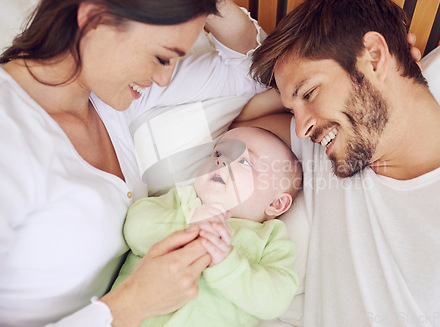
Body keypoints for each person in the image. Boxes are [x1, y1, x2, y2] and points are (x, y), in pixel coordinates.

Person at [0, 0, 268, 326]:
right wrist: (132, 304)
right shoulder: (10, 133)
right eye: (161, 58)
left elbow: (255, 72)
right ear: (94, 19)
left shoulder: (111, 100)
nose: (164, 79)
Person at [233, 0, 440, 326]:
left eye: (309, 93)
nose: (302, 126)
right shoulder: (331, 155)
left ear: (374, 56)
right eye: (292, 110)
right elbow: (242, 128)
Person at [112, 126, 302, 327]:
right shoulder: (183, 200)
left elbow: (275, 301)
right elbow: (134, 230)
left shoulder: (270, 238)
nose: (220, 161)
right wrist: (187, 223)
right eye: (218, 153)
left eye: (245, 161)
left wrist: (228, 264)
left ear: (276, 204)